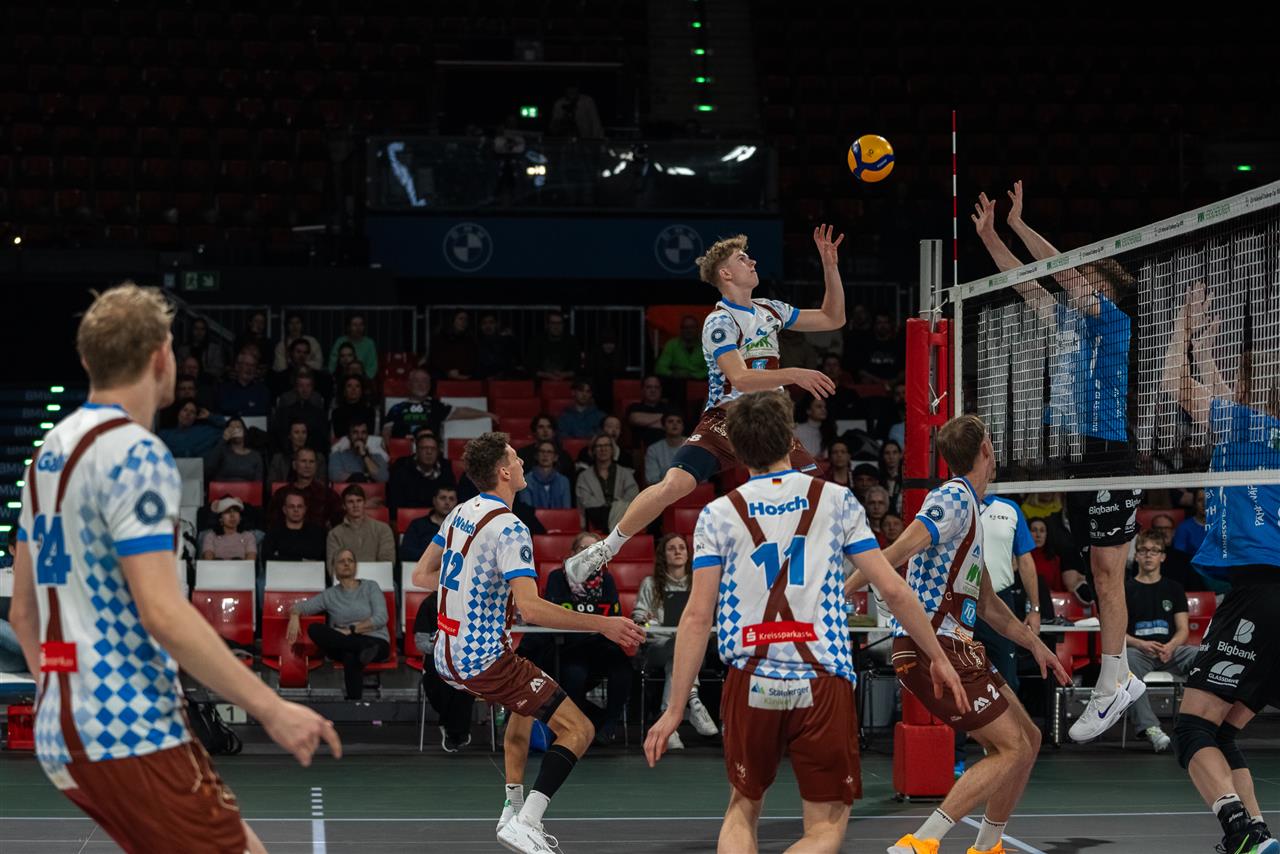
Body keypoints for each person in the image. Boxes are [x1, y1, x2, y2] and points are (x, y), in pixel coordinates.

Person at [8, 283, 339, 854]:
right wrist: (270, 708)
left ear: (88, 359)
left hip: (61, 726)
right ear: (162, 356)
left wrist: (66, 696)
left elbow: (22, 613)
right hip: (129, 726)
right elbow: (162, 612)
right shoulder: (135, 453)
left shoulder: (49, 453)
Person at [643, 391, 967, 854]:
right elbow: (894, 590)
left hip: (751, 673)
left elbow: (696, 616)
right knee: (825, 826)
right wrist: (938, 657)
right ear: (791, 439)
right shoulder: (836, 500)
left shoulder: (718, 513)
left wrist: (676, 708)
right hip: (821, 675)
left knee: (742, 808)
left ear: (736, 449)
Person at [566, 227, 845, 585]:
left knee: (817, 499)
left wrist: (830, 267)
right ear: (726, 273)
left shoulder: (770, 309)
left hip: (770, 424)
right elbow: (739, 378)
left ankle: (851, 578)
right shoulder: (719, 321)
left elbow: (832, 318)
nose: (753, 261)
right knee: (674, 484)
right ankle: (605, 549)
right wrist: (794, 374)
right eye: (743, 259)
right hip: (727, 420)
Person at [410, 432, 645, 853]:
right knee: (579, 729)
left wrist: (479, 593)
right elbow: (532, 610)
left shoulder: (460, 512)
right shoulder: (511, 527)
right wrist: (603, 625)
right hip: (483, 659)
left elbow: (422, 576)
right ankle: (529, 821)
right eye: (516, 458)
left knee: (523, 711)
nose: (522, 462)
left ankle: (512, 810)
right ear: (504, 472)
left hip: (447, 654)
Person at [974, 182, 1145, 743]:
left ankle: (1114, 681)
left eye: (1088, 279)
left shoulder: (1113, 321)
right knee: (1099, 572)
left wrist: (1021, 225)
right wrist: (992, 236)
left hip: (1110, 452)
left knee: (1108, 573)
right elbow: (1025, 280)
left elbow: (1065, 273)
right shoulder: (1067, 323)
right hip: (1076, 458)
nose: (1076, 284)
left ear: (1104, 288)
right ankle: (1118, 678)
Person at [862, 414, 1068, 854]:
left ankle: (988, 846)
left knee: (1028, 739)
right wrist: (837, 591)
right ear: (987, 450)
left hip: (959, 643)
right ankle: (921, 842)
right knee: (1011, 747)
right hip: (932, 644)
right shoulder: (953, 498)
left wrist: (1036, 645)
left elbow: (989, 604)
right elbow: (895, 551)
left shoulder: (972, 510)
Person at [1163, 283, 1280, 854]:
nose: (1229, 384)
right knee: (1223, 730)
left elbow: (1174, 384)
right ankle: (1257, 836)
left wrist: (1183, 325)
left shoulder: (1241, 425)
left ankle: (1238, 831)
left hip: (1260, 592)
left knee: (1191, 728)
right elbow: (1218, 392)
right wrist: (1206, 347)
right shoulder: (1259, 432)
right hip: (1270, 596)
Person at [631, 533, 718, 750]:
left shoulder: (699, 582)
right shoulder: (651, 584)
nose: (678, 551)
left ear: (688, 554)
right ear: (663, 555)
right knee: (678, 648)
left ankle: (667, 720)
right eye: (671, 548)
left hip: (693, 650)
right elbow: (639, 620)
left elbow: (711, 620)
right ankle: (693, 700)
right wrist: (646, 621)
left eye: (682, 547)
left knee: (681, 651)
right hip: (658, 648)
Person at [540, 542, 633, 744]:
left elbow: (614, 614)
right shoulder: (558, 577)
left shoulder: (606, 579)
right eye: (584, 547)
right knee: (574, 673)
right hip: (569, 642)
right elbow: (554, 613)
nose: (590, 553)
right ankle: (576, 728)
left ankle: (608, 726)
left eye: (595, 549)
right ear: (573, 552)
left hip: (601, 642)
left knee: (623, 669)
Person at [1123, 531, 1195, 753]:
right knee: (1127, 663)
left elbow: (1183, 630)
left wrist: (1171, 646)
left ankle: (1199, 725)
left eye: (1154, 551)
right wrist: (1140, 644)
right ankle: (1151, 729)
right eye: (1143, 550)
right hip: (1139, 651)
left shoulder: (1174, 588)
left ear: (1163, 557)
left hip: (1170, 651)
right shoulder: (1125, 589)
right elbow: (1115, 633)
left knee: (1202, 656)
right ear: (1136, 555)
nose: (1148, 555)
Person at [287, 549, 389, 701]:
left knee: (349, 654)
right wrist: (295, 615)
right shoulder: (330, 595)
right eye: (342, 561)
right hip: (358, 646)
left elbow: (381, 618)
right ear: (334, 568)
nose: (346, 564)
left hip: (375, 642)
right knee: (314, 629)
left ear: (355, 566)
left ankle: (353, 703)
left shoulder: (370, 586)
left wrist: (351, 630)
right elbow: (302, 607)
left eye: (350, 560)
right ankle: (361, 649)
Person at [976, 491, 1041, 695]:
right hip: (959, 602)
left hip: (1000, 600)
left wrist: (1034, 609)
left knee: (1006, 679)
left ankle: (1010, 718)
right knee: (959, 677)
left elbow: (1025, 560)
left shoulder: (1010, 508)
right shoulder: (953, 503)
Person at [413, 592, 476, 752]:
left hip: (464, 657)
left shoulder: (470, 601)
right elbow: (421, 643)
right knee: (442, 676)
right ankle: (456, 729)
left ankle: (452, 727)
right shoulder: (429, 604)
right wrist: (443, 648)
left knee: (466, 677)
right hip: (436, 656)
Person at [381, 367, 493, 442]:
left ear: (430, 385)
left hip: (430, 452)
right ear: (409, 384)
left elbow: (461, 412)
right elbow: (386, 434)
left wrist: (487, 414)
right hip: (403, 453)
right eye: (417, 381)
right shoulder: (396, 408)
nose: (421, 385)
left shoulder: (436, 406)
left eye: (425, 381)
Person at [575, 435, 639, 533]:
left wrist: (616, 506)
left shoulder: (625, 473)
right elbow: (585, 500)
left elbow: (632, 493)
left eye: (607, 445)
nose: (603, 449)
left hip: (622, 514)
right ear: (593, 450)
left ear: (612, 450)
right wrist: (608, 507)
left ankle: (612, 533)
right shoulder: (584, 476)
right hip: (596, 515)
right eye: (599, 446)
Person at [268, 448, 341, 529]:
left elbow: (339, 524)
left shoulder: (328, 495)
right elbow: (273, 524)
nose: (307, 466)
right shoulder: (281, 494)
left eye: (311, 462)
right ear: (294, 465)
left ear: (316, 466)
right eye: (303, 461)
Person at [326, 485, 395, 570]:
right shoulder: (334, 534)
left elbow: (387, 563)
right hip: (346, 578)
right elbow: (333, 567)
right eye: (350, 502)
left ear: (364, 503)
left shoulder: (383, 529)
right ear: (344, 506)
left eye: (359, 501)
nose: (355, 505)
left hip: (377, 576)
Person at [387, 430, 456, 512]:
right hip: (409, 514)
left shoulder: (445, 469)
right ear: (416, 450)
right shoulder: (401, 469)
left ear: (438, 451)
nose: (429, 452)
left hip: (440, 516)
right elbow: (395, 503)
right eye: (424, 448)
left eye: (433, 449)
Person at [261, 489, 327, 562]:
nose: (296, 510)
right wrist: (301, 560)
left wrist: (281, 558)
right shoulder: (273, 533)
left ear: (305, 509)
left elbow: (323, 561)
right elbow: (266, 560)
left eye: (300, 506)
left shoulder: (318, 533)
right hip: (281, 570)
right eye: (291, 506)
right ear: (284, 510)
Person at [399, 486, 457, 564]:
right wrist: (435, 557)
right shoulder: (418, 525)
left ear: (457, 503)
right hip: (421, 567)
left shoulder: (462, 527)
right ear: (434, 500)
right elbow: (406, 552)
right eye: (443, 498)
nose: (447, 502)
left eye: (451, 499)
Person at [205, 416, 264, 484]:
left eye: (238, 427)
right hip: (223, 489)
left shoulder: (255, 456)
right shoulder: (221, 451)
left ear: (244, 432)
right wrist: (223, 439)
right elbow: (208, 469)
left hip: (247, 490)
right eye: (232, 428)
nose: (236, 430)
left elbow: (258, 483)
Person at [214, 348, 271, 418]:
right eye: (246, 364)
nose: (250, 369)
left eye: (253, 365)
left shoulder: (262, 392)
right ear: (237, 367)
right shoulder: (224, 390)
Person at [157, 399, 223, 458]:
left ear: (196, 416)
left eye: (192, 412)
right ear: (178, 413)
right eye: (185, 410)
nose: (188, 414)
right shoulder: (165, 434)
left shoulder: (202, 432)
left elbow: (224, 428)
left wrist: (210, 416)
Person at [268, 418, 326, 485]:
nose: (301, 436)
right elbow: (270, 485)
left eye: (304, 432)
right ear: (289, 435)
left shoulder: (319, 458)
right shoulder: (278, 459)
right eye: (296, 432)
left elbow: (322, 483)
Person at [517, 441, 572, 510]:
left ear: (555, 457)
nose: (545, 455)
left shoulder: (563, 481)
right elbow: (526, 510)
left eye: (549, 452)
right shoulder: (526, 480)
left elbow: (566, 511)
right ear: (536, 456)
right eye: (542, 451)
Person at [200, 496, 257, 561]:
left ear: (240, 517)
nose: (232, 515)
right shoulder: (211, 537)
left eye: (235, 511)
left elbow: (250, 562)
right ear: (220, 518)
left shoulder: (248, 536)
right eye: (227, 512)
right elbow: (208, 561)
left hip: (241, 568)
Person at [654, 314, 708, 381]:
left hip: (699, 382)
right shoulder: (672, 345)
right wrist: (672, 374)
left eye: (692, 327)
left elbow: (710, 370)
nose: (689, 330)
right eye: (685, 327)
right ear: (681, 329)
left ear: (698, 329)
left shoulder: (706, 346)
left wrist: (693, 376)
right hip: (675, 381)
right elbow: (660, 368)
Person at [328, 313, 378, 379]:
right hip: (341, 377)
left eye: (361, 325)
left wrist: (363, 379)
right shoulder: (340, 341)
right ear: (348, 327)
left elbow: (372, 367)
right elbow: (332, 364)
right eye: (355, 325)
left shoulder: (369, 343)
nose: (358, 328)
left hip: (363, 378)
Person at [626, 376, 669, 449]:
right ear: (642, 390)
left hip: (666, 449)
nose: (653, 390)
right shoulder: (634, 407)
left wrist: (645, 422)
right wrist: (665, 418)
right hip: (640, 450)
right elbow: (635, 419)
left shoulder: (668, 407)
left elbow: (673, 425)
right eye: (649, 387)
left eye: (656, 387)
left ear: (661, 390)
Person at [330, 375, 378, 441]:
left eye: (357, 386)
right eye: (349, 386)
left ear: (361, 391)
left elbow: (369, 435)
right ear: (344, 391)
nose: (353, 389)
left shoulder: (370, 412)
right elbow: (339, 435)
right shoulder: (336, 413)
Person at [644, 412, 685, 486]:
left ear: (683, 427)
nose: (675, 424)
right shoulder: (653, 450)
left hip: (693, 489)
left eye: (679, 421)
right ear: (663, 426)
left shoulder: (693, 445)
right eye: (670, 421)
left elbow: (702, 477)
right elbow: (652, 479)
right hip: (664, 489)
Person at [794, 395, 835, 459]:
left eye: (825, 407)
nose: (823, 410)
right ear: (808, 410)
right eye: (819, 407)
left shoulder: (830, 430)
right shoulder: (797, 430)